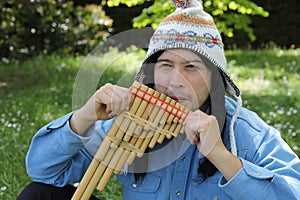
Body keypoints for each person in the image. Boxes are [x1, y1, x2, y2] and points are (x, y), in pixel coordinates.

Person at [18, 0, 300, 199]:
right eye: (165, 66)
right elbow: (43, 170)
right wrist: (85, 116)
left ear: (215, 79)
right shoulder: (129, 122)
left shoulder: (247, 133)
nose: (174, 81)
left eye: (191, 67)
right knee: (40, 195)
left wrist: (220, 155)